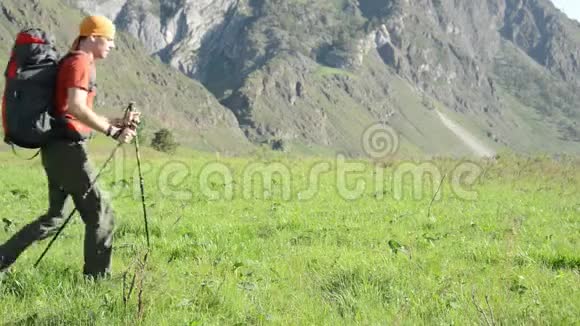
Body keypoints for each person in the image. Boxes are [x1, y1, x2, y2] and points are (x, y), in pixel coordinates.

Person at [0, 15, 140, 279]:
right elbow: (76, 107)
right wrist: (111, 131)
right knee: (102, 213)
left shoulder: (70, 61)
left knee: (54, 217)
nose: (112, 46)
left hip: (55, 148)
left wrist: (118, 122)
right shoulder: (80, 62)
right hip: (67, 151)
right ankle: (96, 283)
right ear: (94, 37)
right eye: (109, 40)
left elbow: (71, 112)